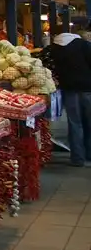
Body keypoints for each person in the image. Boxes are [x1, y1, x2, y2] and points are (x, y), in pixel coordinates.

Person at [49, 30, 91, 167]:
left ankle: (77, 158)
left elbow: (52, 67)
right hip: (88, 88)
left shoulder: (55, 49)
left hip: (69, 89)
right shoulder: (83, 45)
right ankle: (89, 154)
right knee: (89, 122)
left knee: (75, 123)